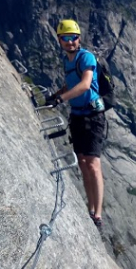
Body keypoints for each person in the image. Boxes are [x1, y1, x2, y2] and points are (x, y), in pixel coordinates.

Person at [44, 19, 107, 229]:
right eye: (65, 38)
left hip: (92, 117)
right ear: (60, 41)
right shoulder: (68, 61)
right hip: (77, 116)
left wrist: (60, 100)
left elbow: (84, 84)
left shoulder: (85, 57)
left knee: (93, 165)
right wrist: (55, 95)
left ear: (79, 38)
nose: (70, 42)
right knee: (82, 162)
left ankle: (97, 215)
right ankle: (90, 208)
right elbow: (70, 84)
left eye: (73, 38)